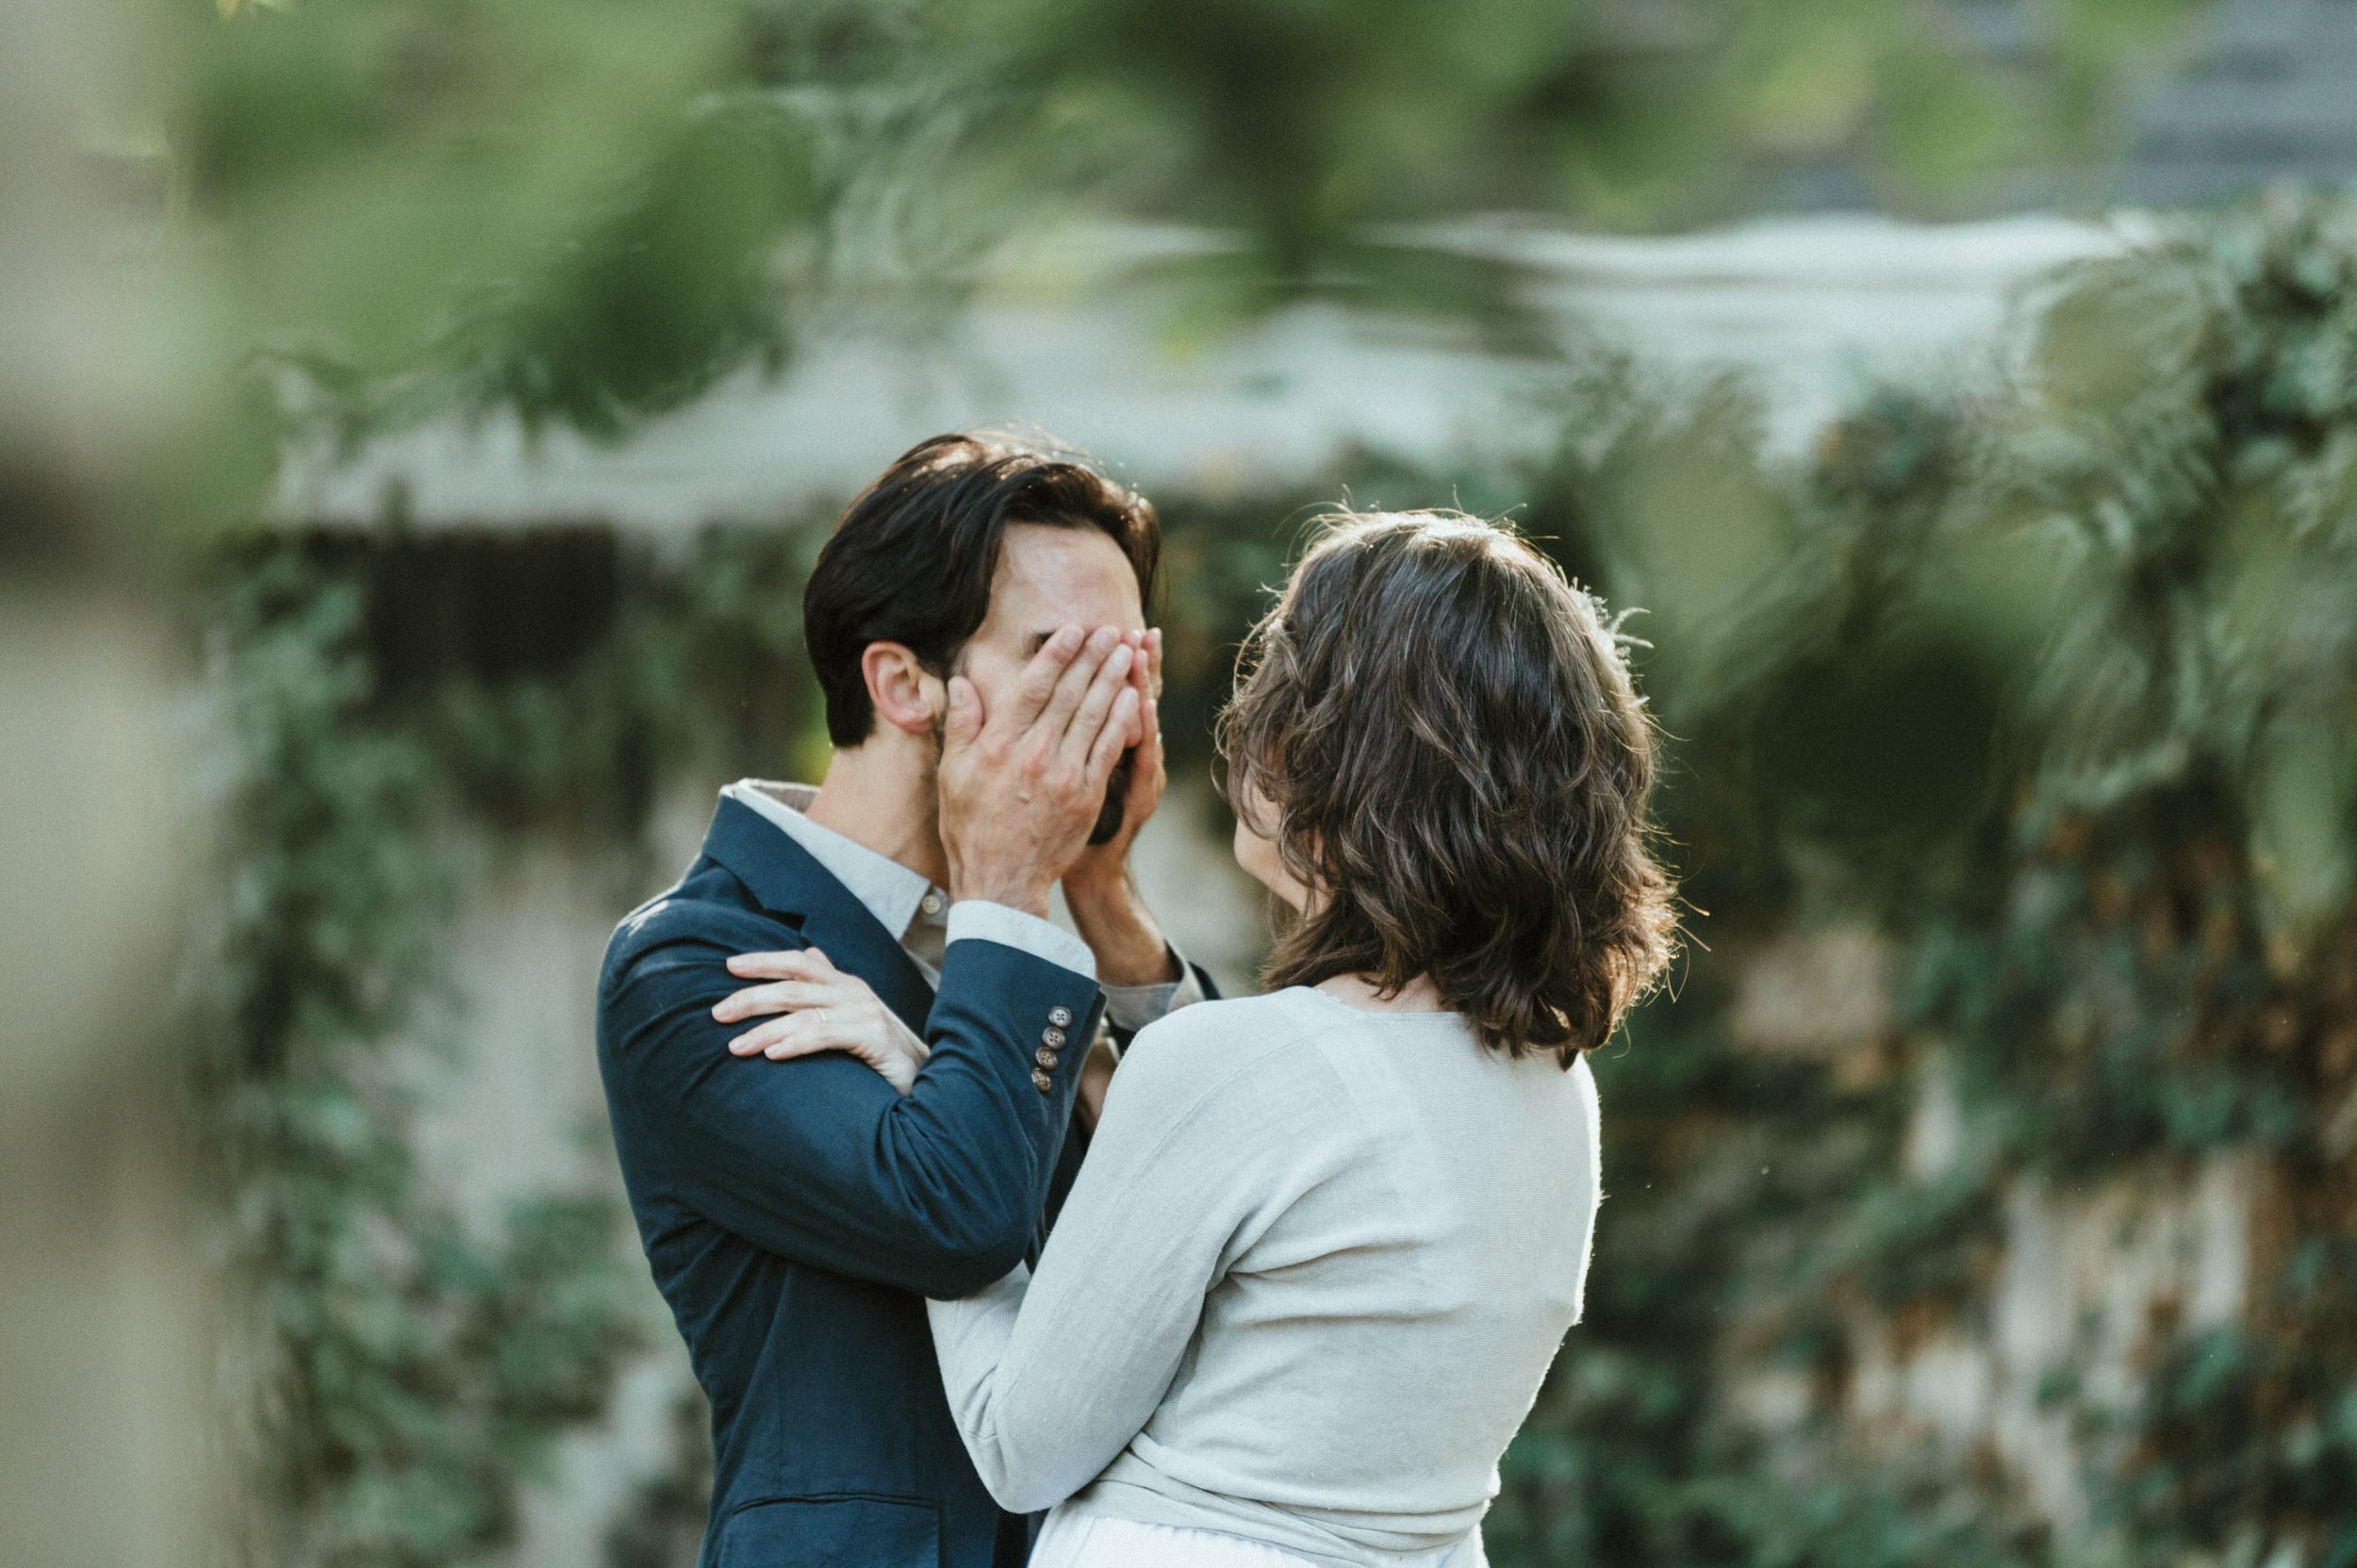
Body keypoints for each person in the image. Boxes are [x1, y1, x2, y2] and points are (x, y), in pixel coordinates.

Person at [721, 509, 1676, 1567]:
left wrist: (931, 1089)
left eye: (1282, 691)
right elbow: (1295, 1151)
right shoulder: (1550, 1085)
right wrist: (1101, 893)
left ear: (1340, 758)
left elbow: (1016, 1444)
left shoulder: (1240, 1071)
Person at [596, 433, 1213, 1568]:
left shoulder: (1034, 933)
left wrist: (1105, 895)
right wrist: (1014, 888)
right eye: (1057, 659)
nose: (1105, 710)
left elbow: (1218, 1215)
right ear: (900, 682)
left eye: (1123, 667)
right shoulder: (691, 966)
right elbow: (958, 1214)